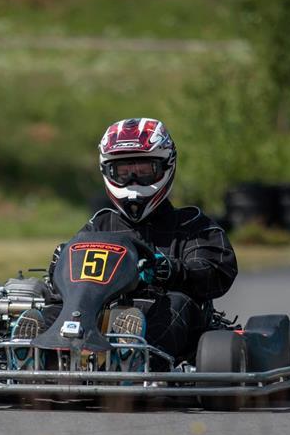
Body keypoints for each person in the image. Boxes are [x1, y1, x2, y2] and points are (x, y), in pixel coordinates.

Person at [18, 117, 238, 363]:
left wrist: (172, 271)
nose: (133, 181)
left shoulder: (190, 225)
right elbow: (68, 286)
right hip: (100, 312)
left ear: (165, 166)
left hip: (167, 318)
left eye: (144, 171)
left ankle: (135, 356)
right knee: (59, 308)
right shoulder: (99, 225)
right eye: (124, 171)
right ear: (108, 171)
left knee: (177, 303)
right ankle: (31, 353)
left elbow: (217, 273)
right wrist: (62, 265)